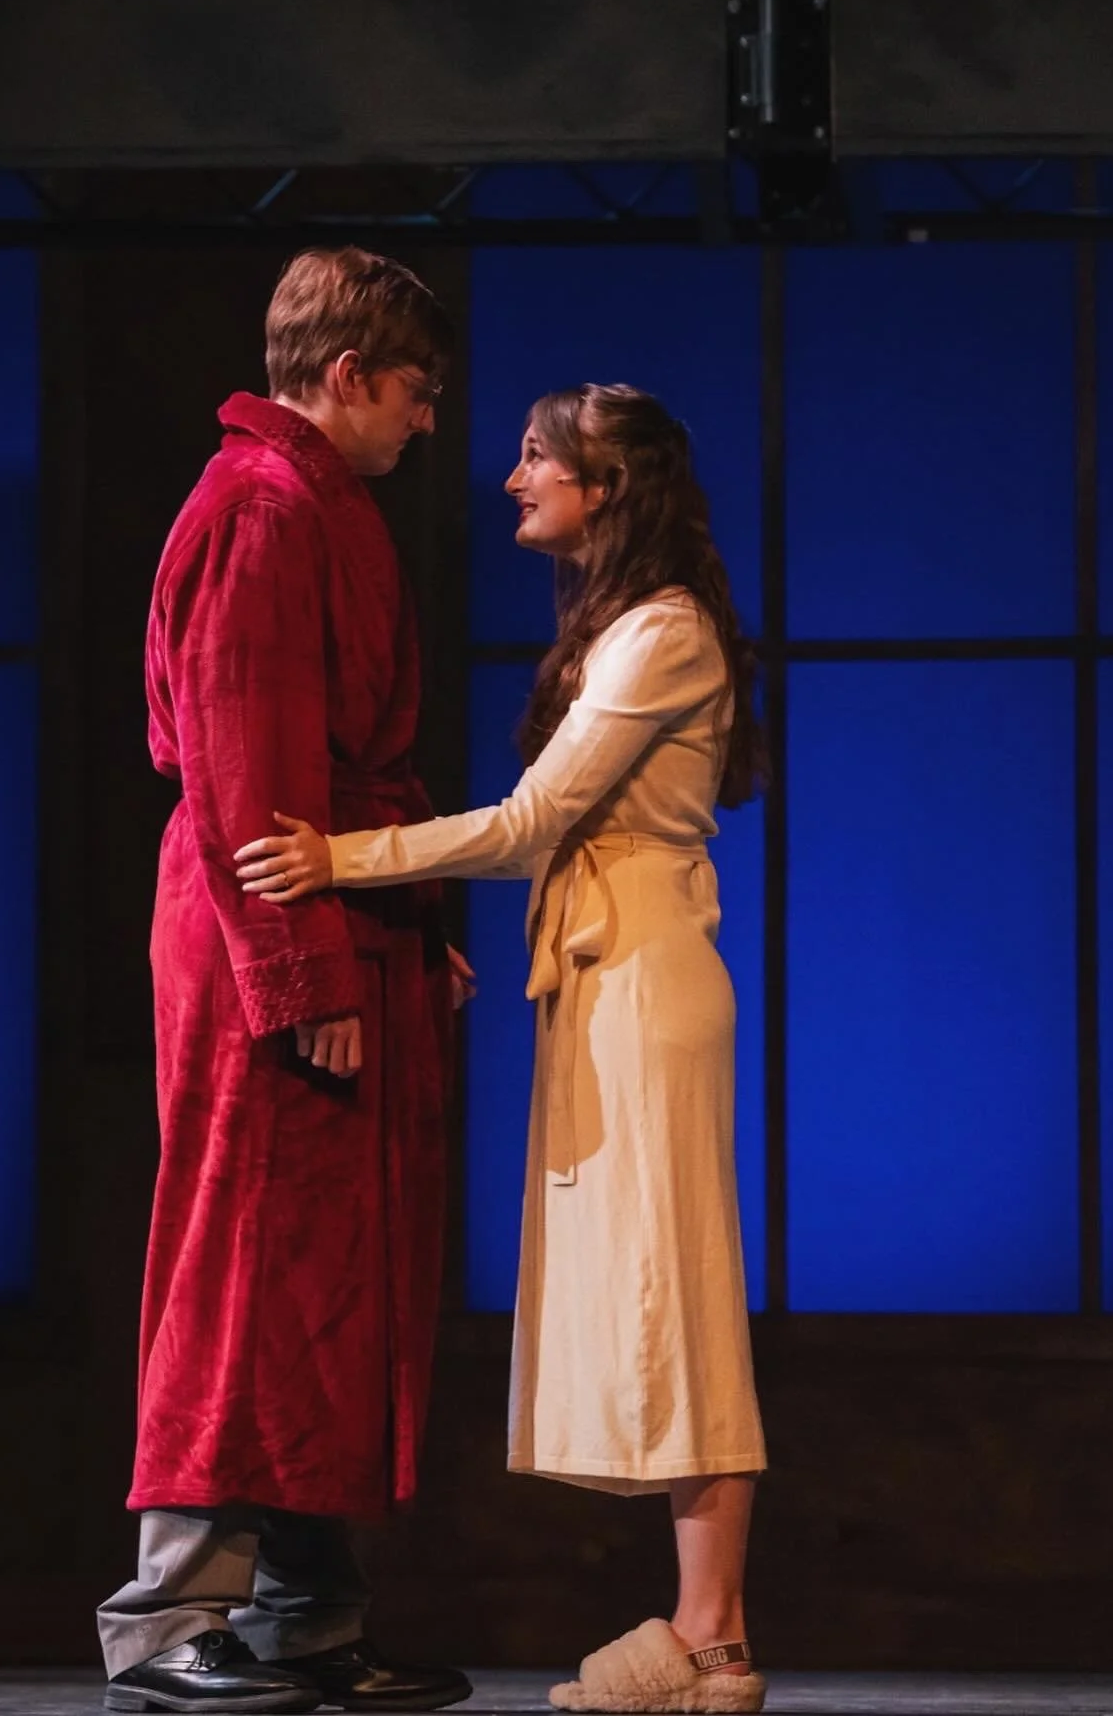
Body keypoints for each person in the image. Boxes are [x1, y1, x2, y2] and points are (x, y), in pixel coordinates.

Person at [236, 384, 771, 1716]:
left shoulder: (665, 632)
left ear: (609, 485)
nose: (512, 476)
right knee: (653, 1296)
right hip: (598, 984)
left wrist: (339, 859)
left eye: (539, 458)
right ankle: (711, 1630)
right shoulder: (625, 628)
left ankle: (710, 1632)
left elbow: (533, 821)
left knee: (681, 1296)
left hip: (644, 986)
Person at [98, 248, 474, 1716]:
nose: (427, 421)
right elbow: (249, 762)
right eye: (417, 392)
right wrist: (301, 965)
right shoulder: (261, 509)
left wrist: (404, 912)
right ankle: (168, 1615)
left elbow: (336, 775)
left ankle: (305, 1610)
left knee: (326, 1270)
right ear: (346, 379)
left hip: (329, 910)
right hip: (266, 929)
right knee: (245, 1253)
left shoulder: (321, 507)